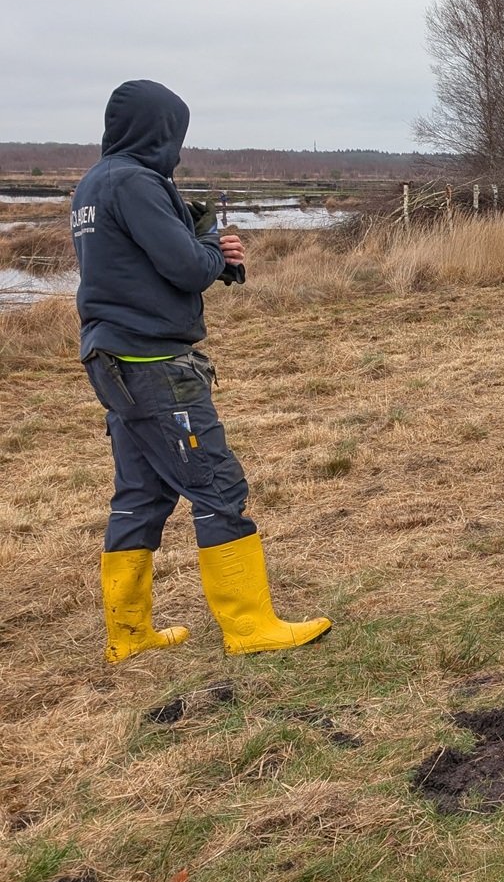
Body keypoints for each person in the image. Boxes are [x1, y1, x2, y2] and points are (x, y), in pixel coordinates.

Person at [72, 80, 331, 663]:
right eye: (175, 134)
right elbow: (186, 268)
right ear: (159, 130)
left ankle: (128, 635)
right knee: (216, 485)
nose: (179, 148)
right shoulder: (138, 182)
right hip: (155, 364)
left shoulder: (93, 184)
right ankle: (250, 626)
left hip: (113, 359)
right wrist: (211, 247)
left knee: (140, 493)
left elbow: (137, 265)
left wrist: (208, 253)